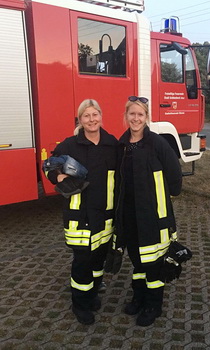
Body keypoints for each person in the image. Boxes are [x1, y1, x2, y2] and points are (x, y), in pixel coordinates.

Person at [44, 99, 118, 325]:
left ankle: (93, 293)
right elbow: (49, 164)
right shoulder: (70, 145)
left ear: (101, 116)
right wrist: (57, 176)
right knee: (82, 261)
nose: (92, 120)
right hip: (80, 216)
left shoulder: (112, 144)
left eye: (95, 114)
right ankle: (80, 304)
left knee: (98, 259)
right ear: (80, 120)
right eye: (86, 116)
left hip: (105, 216)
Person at [115, 96, 182, 327]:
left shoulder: (156, 143)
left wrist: (168, 196)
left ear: (147, 118)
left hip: (152, 217)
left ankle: (153, 305)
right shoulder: (122, 144)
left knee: (153, 262)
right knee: (137, 260)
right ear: (126, 116)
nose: (136, 118)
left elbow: (174, 173)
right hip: (129, 215)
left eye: (140, 114)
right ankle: (139, 297)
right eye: (132, 114)